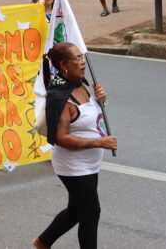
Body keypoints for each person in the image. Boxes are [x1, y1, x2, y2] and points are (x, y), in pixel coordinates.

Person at [33, 42, 116, 249]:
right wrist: (99, 142)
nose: (82, 62)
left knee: (76, 210)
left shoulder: (80, 84)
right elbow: (61, 138)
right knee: (91, 212)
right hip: (73, 165)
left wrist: (101, 100)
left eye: (82, 57)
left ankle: (43, 242)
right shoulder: (60, 97)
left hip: (89, 163)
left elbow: (87, 118)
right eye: (77, 58)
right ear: (63, 65)